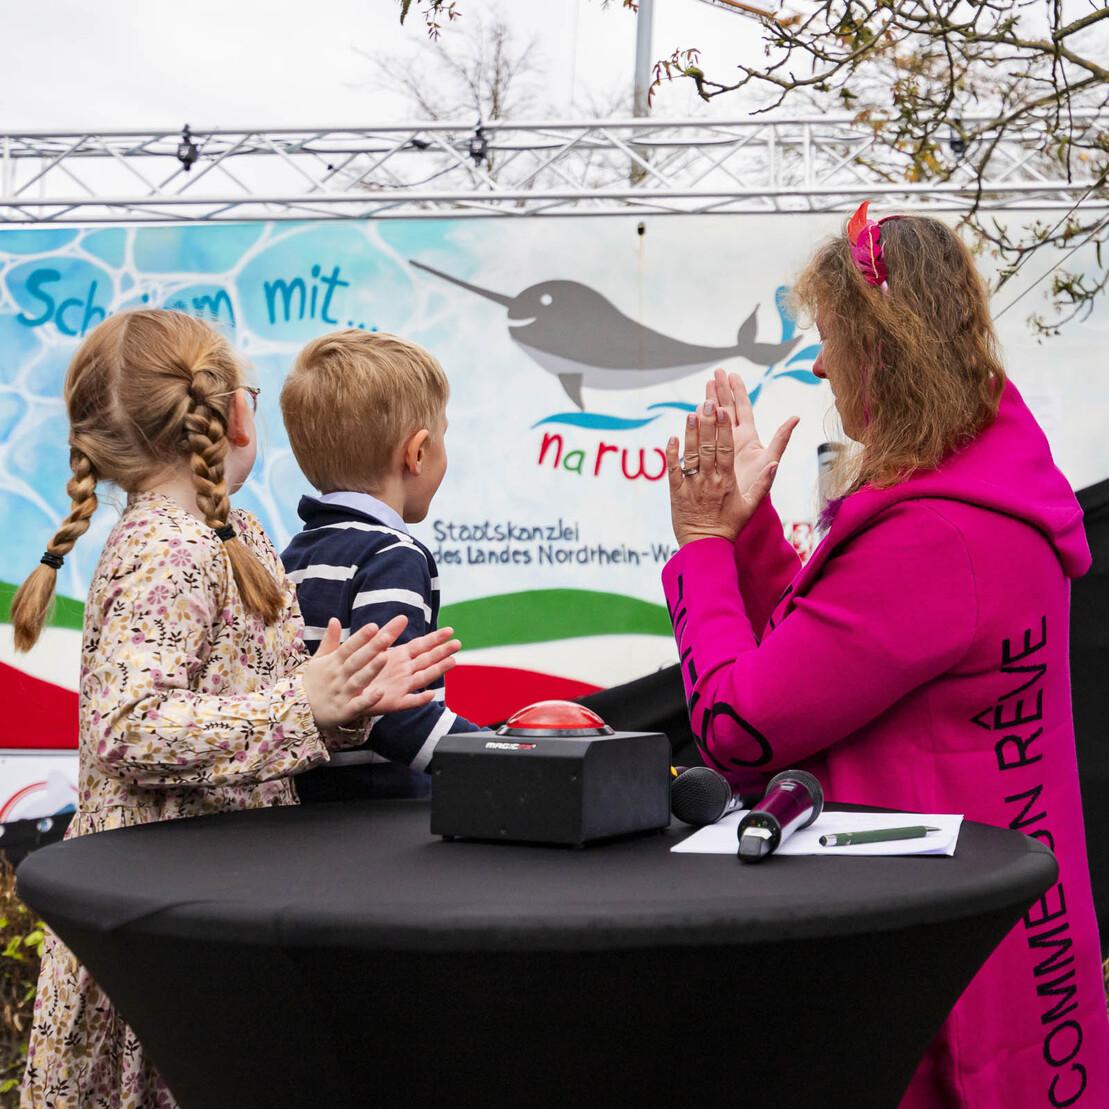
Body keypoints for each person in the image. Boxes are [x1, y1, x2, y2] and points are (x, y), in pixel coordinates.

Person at [662, 206, 1108, 1107]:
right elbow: (836, 650)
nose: (819, 366)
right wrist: (748, 535)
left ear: (880, 350)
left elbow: (738, 727)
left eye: (830, 339)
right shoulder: (985, 487)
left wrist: (704, 545)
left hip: (933, 968)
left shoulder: (934, 534)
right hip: (1002, 941)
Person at [10, 309, 460, 1109]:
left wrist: (347, 704)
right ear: (235, 417)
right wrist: (303, 704)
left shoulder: (231, 533)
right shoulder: (166, 546)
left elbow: (265, 701)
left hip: (210, 892)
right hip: (157, 912)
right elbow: (128, 726)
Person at [280, 330, 482, 802]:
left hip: (307, 807)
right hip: (378, 812)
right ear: (417, 453)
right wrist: (498, 756)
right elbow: (396, 712)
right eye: (444, 437)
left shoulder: (291, 555)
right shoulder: (393, 555)